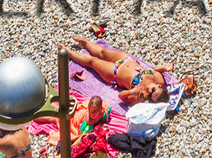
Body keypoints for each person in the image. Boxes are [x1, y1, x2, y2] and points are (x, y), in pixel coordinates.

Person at [65, 34, 196, 105]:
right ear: (159, 86)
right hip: (126, 59)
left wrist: (132, 91)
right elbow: (157, 70)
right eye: (153, 90)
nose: (149, 91)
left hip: (114, 73)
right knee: (103, 52)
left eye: (151, 95)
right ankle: (85, 43)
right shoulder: (159, 80)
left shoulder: (141, 96)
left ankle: (70, 54)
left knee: (92, 62)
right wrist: (166, 68)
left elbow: (121, 97)